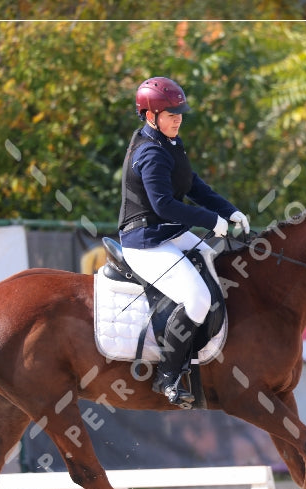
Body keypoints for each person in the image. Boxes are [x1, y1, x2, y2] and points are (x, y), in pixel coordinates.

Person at [118, 76, 249, 406]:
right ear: (151, 116)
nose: (178, 119)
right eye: (170, 114)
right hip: (145, 242)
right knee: (197, 299)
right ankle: (168, 376)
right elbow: (163, 204)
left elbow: (193, 185)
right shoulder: (149, 152)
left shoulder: (169, 142)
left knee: (215, 265)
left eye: (179, 114)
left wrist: (229, 211)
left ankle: (207, 351)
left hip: (169, 234)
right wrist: (210, 220)